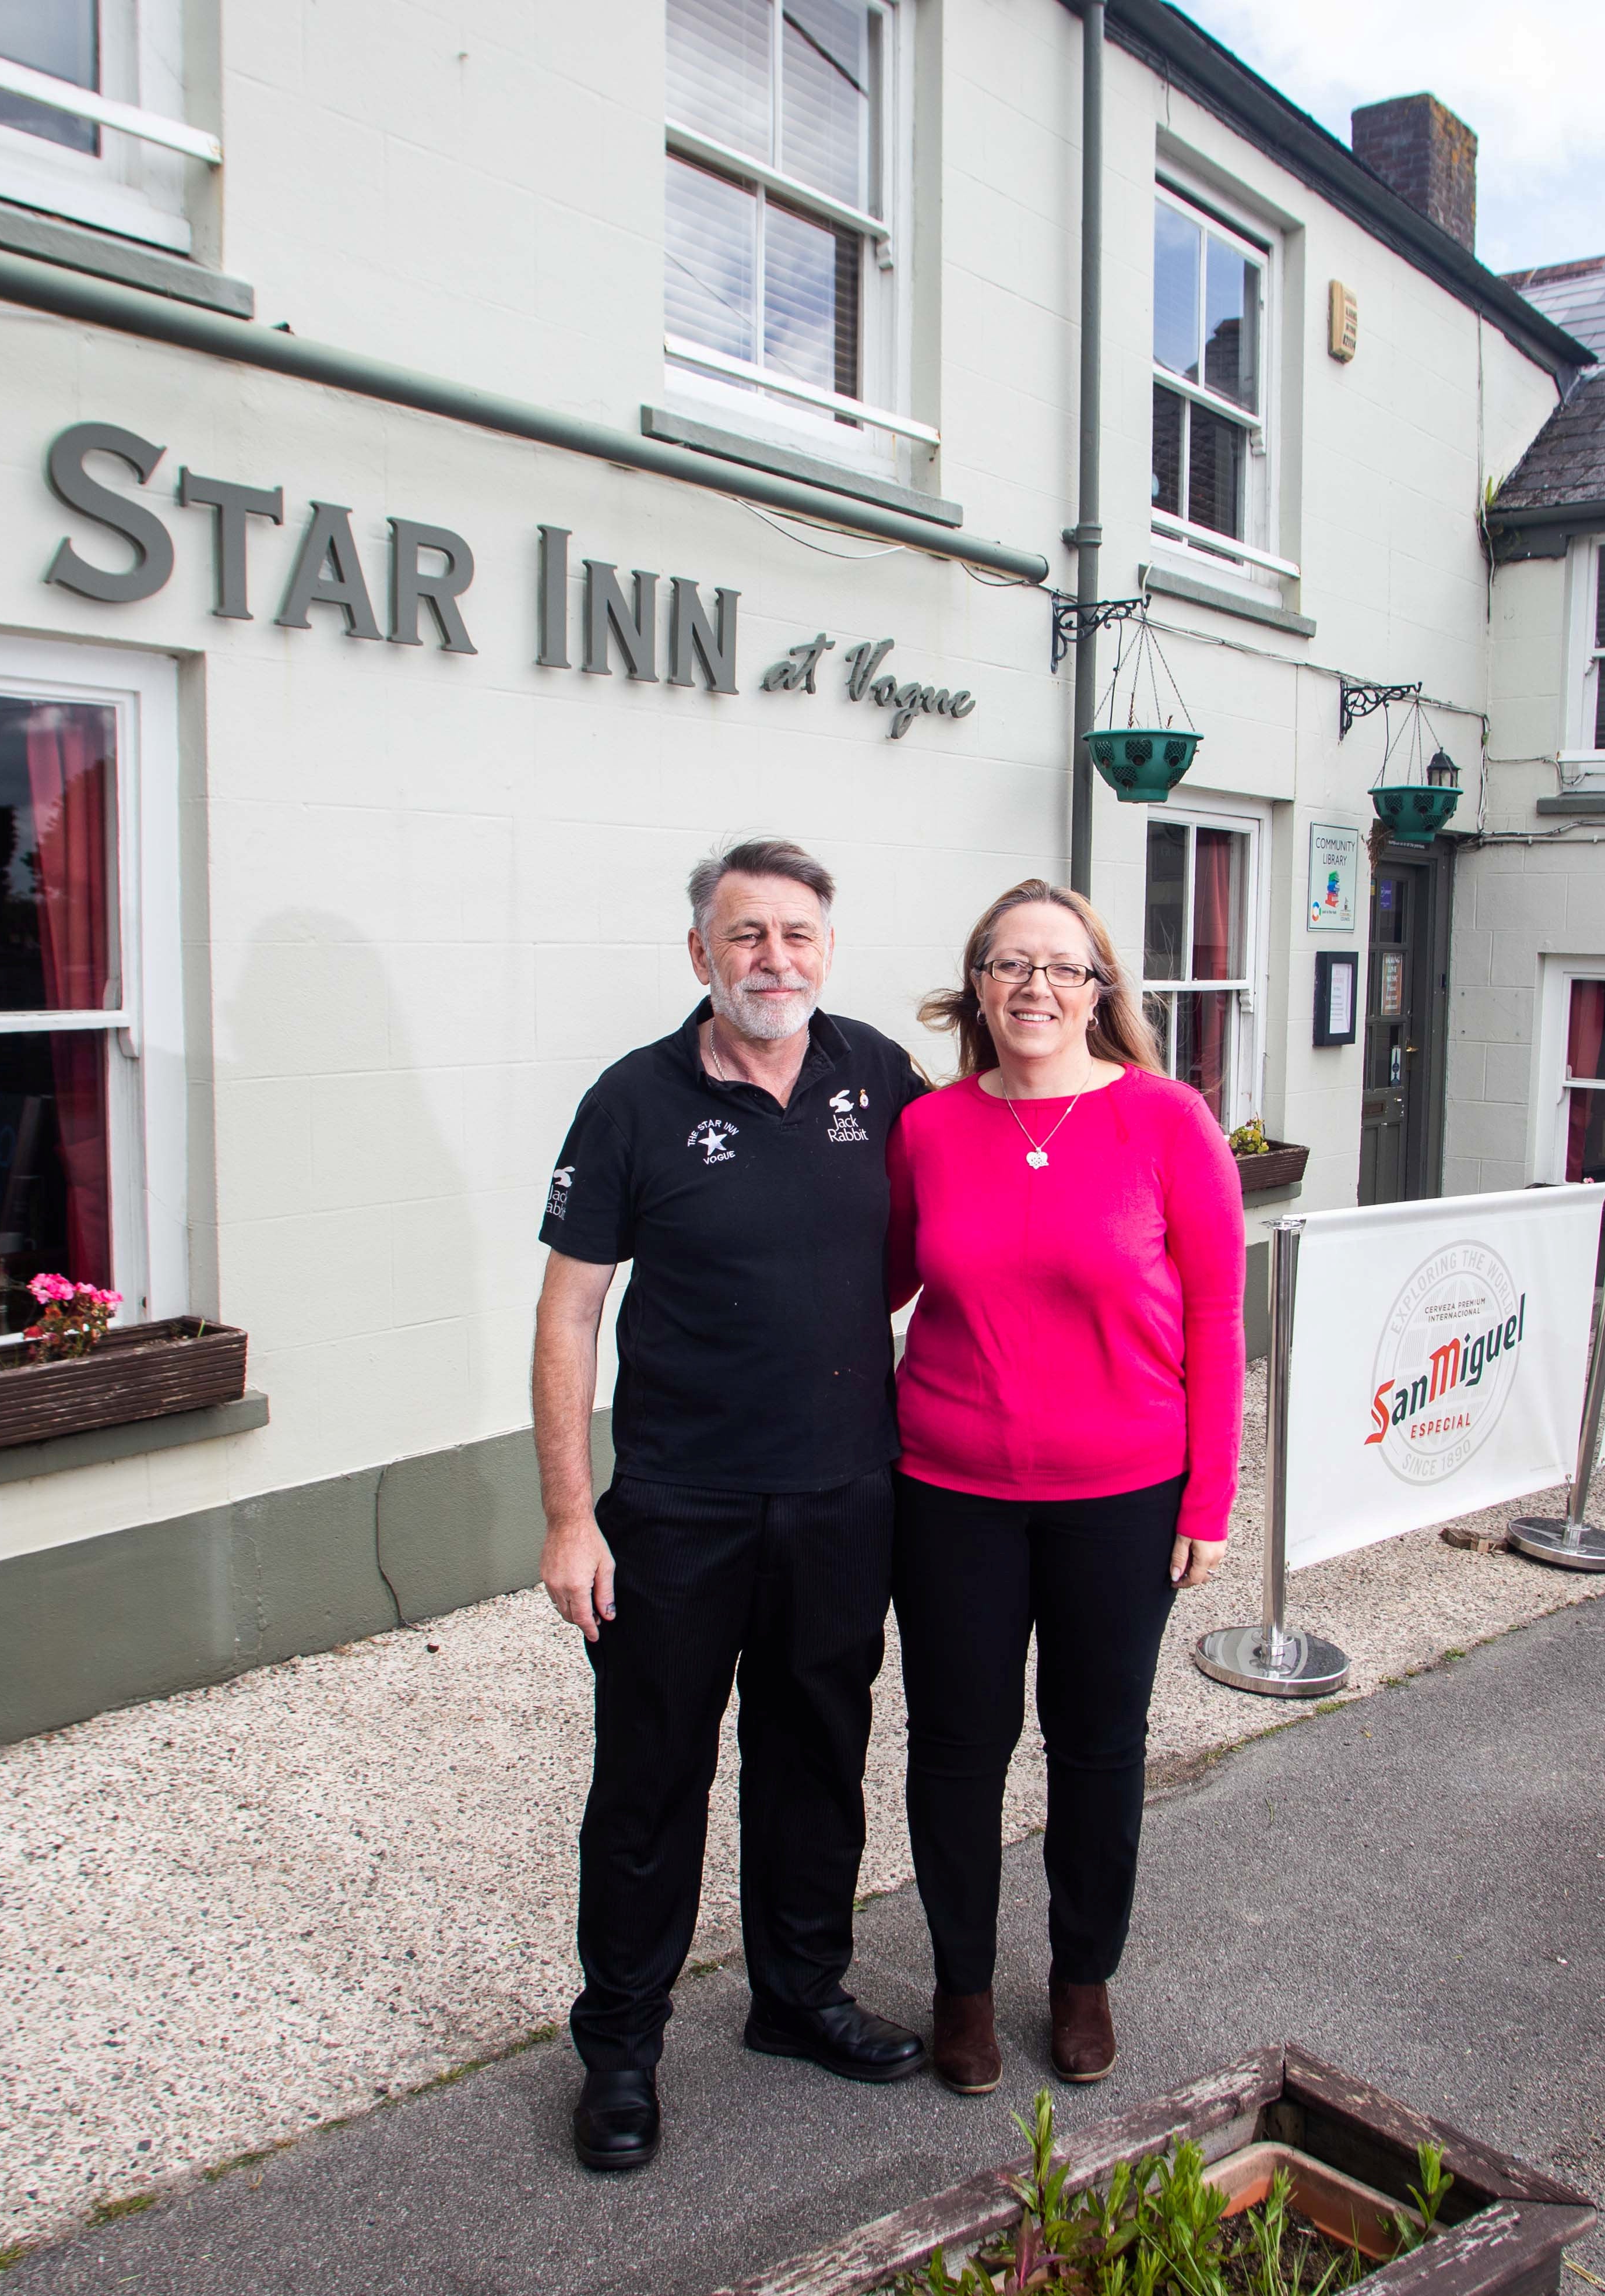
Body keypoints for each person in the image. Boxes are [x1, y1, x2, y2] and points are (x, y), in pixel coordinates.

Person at [534, 837, 932, 2175]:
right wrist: (569, 1515)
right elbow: (569, 1311)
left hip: (842, 1492)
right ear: (699, 953)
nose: (775, 958)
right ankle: (622, 2048)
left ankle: (798, 1995)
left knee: (816, 1750)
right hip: (677, 1506)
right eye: (746, 934)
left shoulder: (873, 1072)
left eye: (798, 934)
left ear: (829, 948)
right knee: (650, 1777)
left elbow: (965, 1205)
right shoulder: (630, 1101)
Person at [883, 880, 1243, 2097]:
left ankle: (1082, 1974)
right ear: (975, 984)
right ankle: (963, 1986)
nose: (1035, 987)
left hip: (1123, 1488)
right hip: (949, 1487)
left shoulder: (1166, 1116)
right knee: (957, 1745)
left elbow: (1215, 1311)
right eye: (1008, 964)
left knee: (1096, 1743)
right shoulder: (929, 1128)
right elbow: (868, 1279)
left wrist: (1208, 1498)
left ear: (1099, 990)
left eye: (1062, 967)